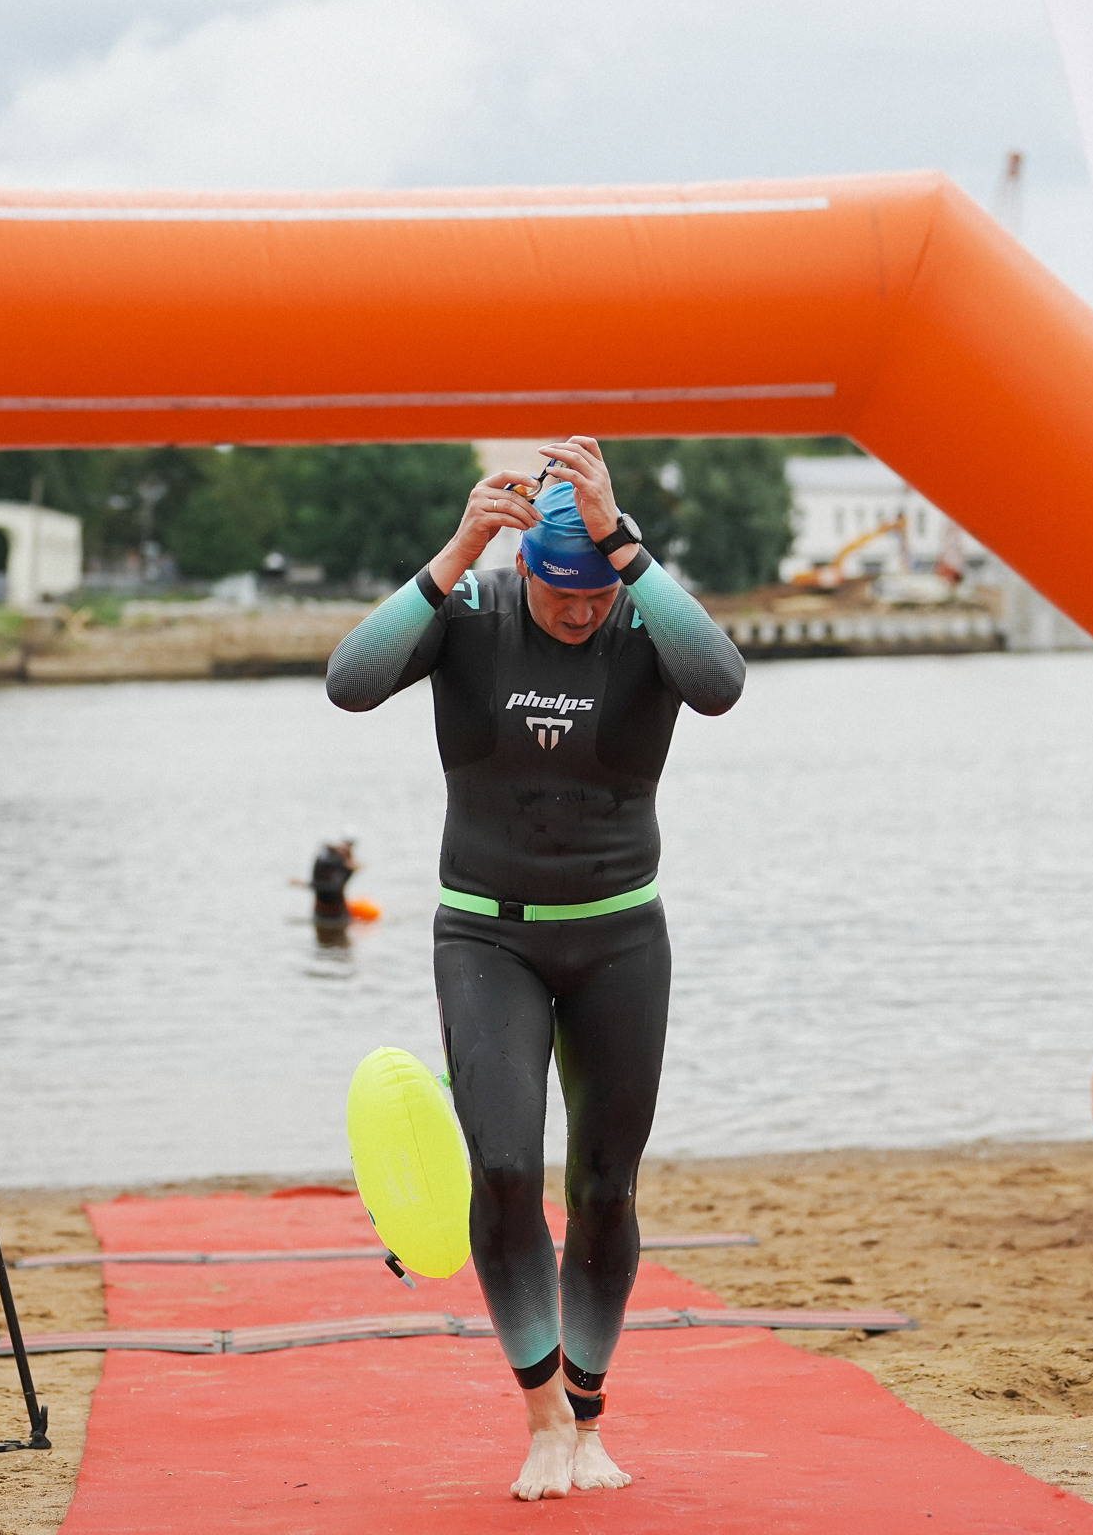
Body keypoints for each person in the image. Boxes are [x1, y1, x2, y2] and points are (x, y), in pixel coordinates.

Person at [325, 437, 744, 1500]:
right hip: (487, 934)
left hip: (618, 937)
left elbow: (725, 683)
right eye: (561, 593)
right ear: (525, 571)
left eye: (596, 593)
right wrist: (458, 548)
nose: (579, 612)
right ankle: (542, 1412)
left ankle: (592, 1414)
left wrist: (626, 550)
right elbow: (348, 682)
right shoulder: (471, 620)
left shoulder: (640, 616)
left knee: (605, 1186)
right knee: (504, 1167)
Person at [309, 836, 359, 922]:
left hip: (338, 912)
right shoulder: (327, 860)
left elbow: (336, 887)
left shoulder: (345, 870)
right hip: (322, 910)